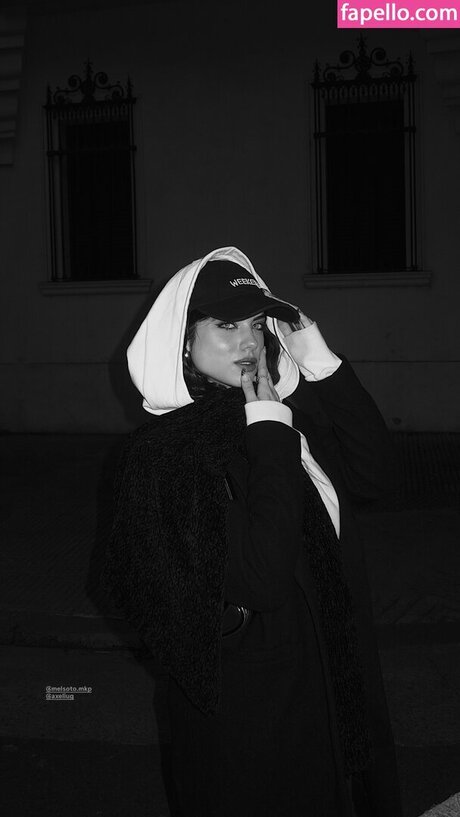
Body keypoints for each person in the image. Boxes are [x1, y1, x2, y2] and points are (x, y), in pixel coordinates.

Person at [101, 246, 403, 817]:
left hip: (328, 673)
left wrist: (318, 359)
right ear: (183, 342)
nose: (249, 341)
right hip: (257, 709)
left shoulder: (282, 417)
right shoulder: (171, 452)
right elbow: (262, 576)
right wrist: (267, 430)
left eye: (258, 325)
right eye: (226, 326)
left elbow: (376, 477)